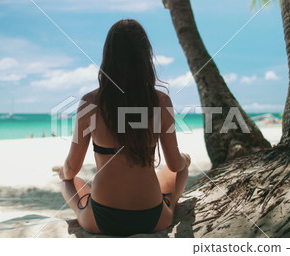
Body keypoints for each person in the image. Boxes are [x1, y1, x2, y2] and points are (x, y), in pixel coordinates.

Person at [58, 19, 191, 236]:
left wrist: (64, 172)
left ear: (108, 57)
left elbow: (72, 168)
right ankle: (171, 204)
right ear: (145, 57)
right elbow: (175, 165)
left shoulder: (91, 102)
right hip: (152, 219)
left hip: (102, 221)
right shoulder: (161, 102)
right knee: (178, 170)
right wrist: (184, 159)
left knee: (71, 181)